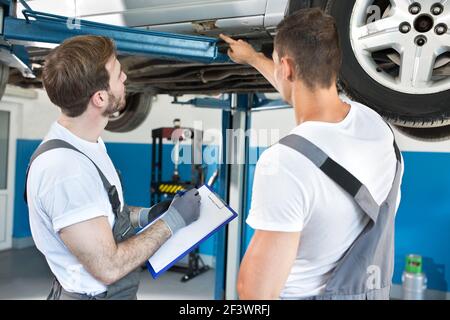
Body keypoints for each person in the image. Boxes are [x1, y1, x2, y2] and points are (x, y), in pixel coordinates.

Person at [220, 8, 404, 300]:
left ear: (287, 68)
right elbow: (296, 86)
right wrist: (254, 58)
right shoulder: (376, 126)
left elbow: (255, 293)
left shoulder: (286, 163)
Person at [25, 35, 201, 300]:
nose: (125, 79)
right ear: (99, 98)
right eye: (118, 75)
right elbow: (109, 266)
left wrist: (146, 215)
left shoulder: (87, 145)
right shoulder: (65, 170)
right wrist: (173, 222)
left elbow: (100, 210)